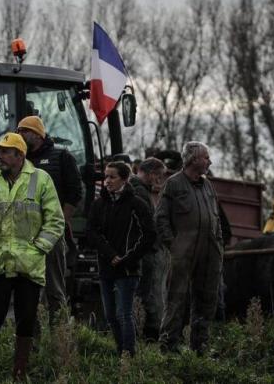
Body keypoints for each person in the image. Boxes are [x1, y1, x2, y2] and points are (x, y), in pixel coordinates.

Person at [0, 133, 64, 380]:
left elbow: (55, 221)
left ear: (19, 155)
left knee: (26, 321)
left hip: (28, 266)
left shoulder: (41, 180)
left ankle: (20, 374)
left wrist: (37, 250)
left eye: (5, 151)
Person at [156, 141, 223, 355]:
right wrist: (173, 246)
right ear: (193, 160)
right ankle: (169, 347)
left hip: (209, 252)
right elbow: (160, 219)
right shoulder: (174, 184)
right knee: (176, 299)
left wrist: (218, 242)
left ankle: (200, 346)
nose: (209, 161)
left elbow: (217, 218)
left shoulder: (208, 185)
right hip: (182, 253)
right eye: (206, 157)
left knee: (207, 299)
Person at [17, 116, 82, 328]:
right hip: (24, 236)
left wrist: (59, 223)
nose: (20, 135)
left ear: (36, 134)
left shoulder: (61, 157)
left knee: (54, 287)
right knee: (26, 290)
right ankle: (31, 339)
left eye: (24, 131)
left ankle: (59, 337)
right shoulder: (18, 159)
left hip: (52, 234)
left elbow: (74, 193)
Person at [87, 161, 155, 356]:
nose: (107, 181)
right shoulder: (99, 204)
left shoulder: (137, 204)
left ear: (124, 179)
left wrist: (126, 258)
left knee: (123, 314)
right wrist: (110, 254)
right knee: (110, 315)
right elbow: (92, 232)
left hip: (128, 269)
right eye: (105, 176)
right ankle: (120, 352)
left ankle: (128, 355)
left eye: (112, 177)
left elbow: (149, 235)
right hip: (106, 265)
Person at [128, 157, 166, 342]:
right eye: (158, 177)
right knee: (144, 292)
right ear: (151, 174)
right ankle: (144, 334)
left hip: (141, 249)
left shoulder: (136, 188)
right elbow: (147, 225)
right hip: (145, 251)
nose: (159, 181)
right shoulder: (138, 192)